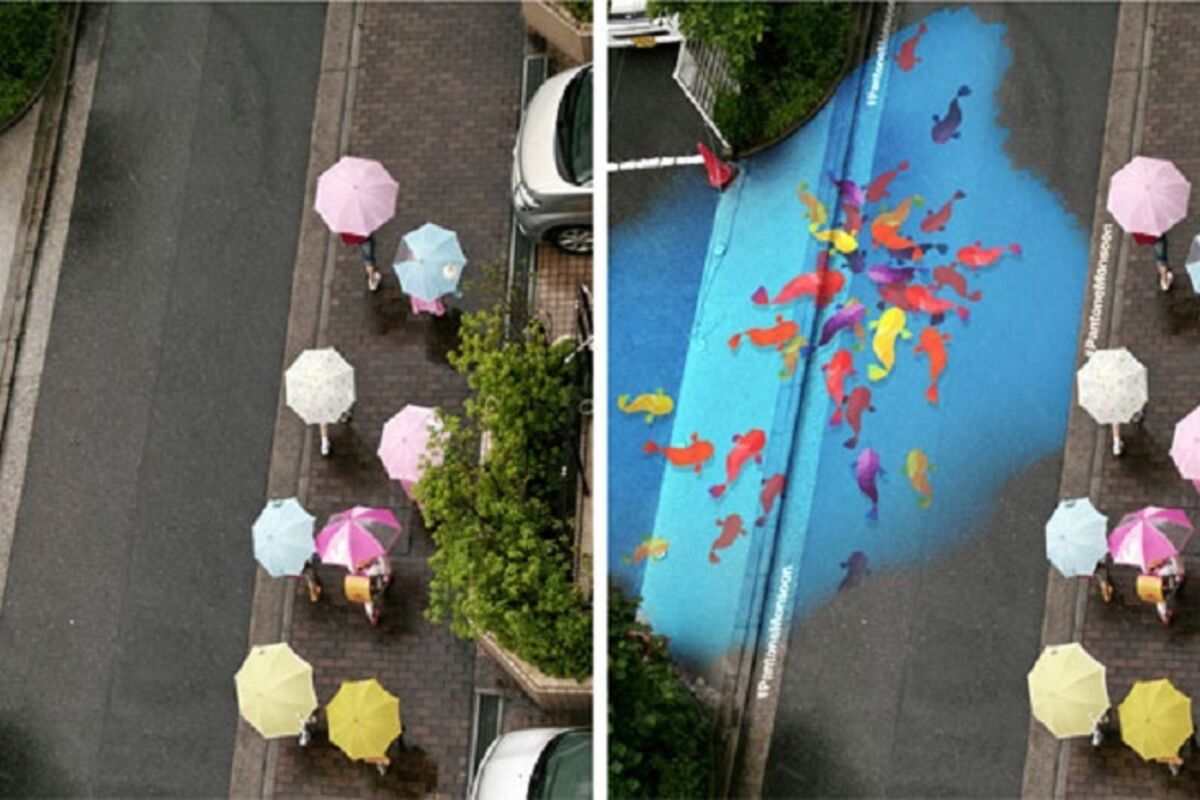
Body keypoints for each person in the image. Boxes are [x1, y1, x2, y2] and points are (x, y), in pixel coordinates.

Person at [358, 555, 392, 627]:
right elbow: (384, 568)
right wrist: (387, 573)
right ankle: (373, 613)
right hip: (374, 578)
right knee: (376, 596)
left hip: (365, 580)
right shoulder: (378, 554)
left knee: (368, 599)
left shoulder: (357, 556)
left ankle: (372, 615)